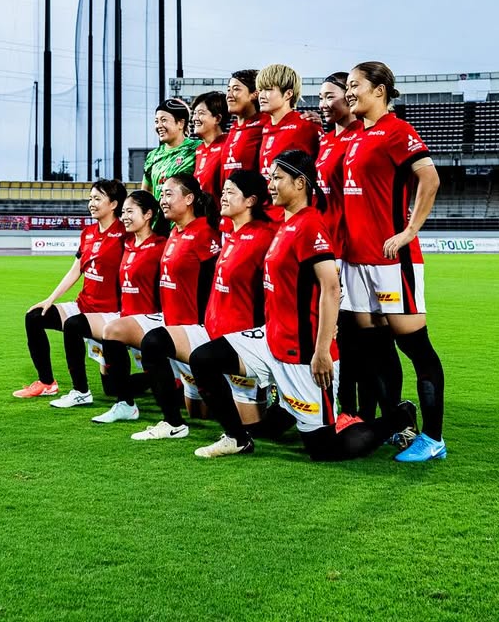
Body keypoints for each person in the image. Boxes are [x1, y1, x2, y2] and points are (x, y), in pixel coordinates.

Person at [189, 150, 416, 461]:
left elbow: (331, 287)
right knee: (203, 358)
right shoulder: (286, 225)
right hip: (271, 341)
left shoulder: (310, 225)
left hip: (303, 352)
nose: (270, 184)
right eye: (270, 177)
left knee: (325, 450)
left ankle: (399, 417)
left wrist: (323, 350)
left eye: (277, 178)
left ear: (300, 183)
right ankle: (237, 438)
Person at [342, 61, 445, 462]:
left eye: (355, 85)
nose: (350, 92)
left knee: (415, 346)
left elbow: (429, 178)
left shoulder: (396, 130)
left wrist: (408, 232)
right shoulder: (355, 135)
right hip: (357, 261)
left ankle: (433, 438)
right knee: (376, 348)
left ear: (380, 89)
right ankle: (400, 425)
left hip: (390, 261)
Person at [130, 170, 275, 440]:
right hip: (210, 330)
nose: (223, 196)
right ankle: (173, 423)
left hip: (243, 337)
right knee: (154, 343)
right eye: (224, 191)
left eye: (231, 192)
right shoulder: (228, 233)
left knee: (260, 430)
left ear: (251, 201)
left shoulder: (266, 236)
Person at [99, 173, 220, 434]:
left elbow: (212, 283)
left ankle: (176, 422)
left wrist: (205, 324)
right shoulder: (175, 233)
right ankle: (169, 416)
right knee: (198, 411)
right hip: (173, 324)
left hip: (194, 329)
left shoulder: (204, 232)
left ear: (189, 199)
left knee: (214, 414)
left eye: (168, 194)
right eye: (162, 194)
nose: (163, 199)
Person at [13, 179, 127, 401]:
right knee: (34, 317)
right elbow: (76, 270)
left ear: (113, 204)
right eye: (90, 198)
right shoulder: (88, 233)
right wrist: (50, 299)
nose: (91, 203)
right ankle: (47, 383)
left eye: (97, 198)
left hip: (109, 313)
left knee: (112, 388)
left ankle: (164, 384)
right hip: (83, 306)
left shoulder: (125, 232)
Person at [83, 190, 169, 423]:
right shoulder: (126, 244)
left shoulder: (162, 246)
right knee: (110, 386)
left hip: (150, 320)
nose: (125, 217)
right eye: (123, 213)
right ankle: (154, 382)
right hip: (126, 318)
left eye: (130, 211)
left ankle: (131, 403)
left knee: (111, 331)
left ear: (149, 214)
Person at [314, 72, 369, 420]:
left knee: (359, 339)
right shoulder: (323, 141)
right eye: (319, 97)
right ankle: (342, 410)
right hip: (327, 248)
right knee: (338, 336)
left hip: (352, 253)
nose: (322, 103)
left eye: (330, 95)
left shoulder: (359, 137)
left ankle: (372, 414)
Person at [255, 64, 321, 180]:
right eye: (261, 90)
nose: (261, 95)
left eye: (268, 89)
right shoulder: (265, 127)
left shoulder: (306, 125)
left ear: (288, 94)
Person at [142, 99, 200, 200]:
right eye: (156, 121)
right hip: (159, 215)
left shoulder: (197, 149)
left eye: (164, 120)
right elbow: (145, 192)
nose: (159, 126)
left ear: (181, 123)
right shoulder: (153, 156)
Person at [221, 70, 267, 177]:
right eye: (228, 90)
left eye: (236, 89)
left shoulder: (266, 123)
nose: (229, 95)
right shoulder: (233, 128)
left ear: (255, 94)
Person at [191, 90, 229, 202]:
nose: (194, 118)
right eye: (194, 113)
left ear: (217, 118)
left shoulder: (228, 145)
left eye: (201, 113)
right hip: (202, 217)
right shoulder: (199, 150)